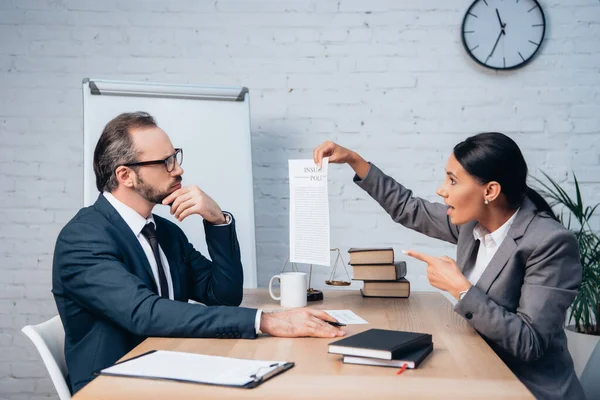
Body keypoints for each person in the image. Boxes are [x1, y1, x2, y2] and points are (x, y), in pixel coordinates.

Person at [52, 112, 344, 394]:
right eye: (165, 162)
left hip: (169, 364)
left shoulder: (164, 232)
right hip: (112, 385)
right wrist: (264, 320)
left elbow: (223, 295)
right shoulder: (83, 238)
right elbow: (144, 313)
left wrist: (217, 220)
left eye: (175, 157)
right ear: (126, 175)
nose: (178, 169)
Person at [314, 133, 585, 400]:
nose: (442, 189)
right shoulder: (471, 224)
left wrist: (462, 289)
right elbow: (410, 208)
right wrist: (354, 160)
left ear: (490, 191)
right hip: (478, 371)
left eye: (453, 181)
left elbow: (530, 342)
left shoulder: (550, 242)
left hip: (527, 388)